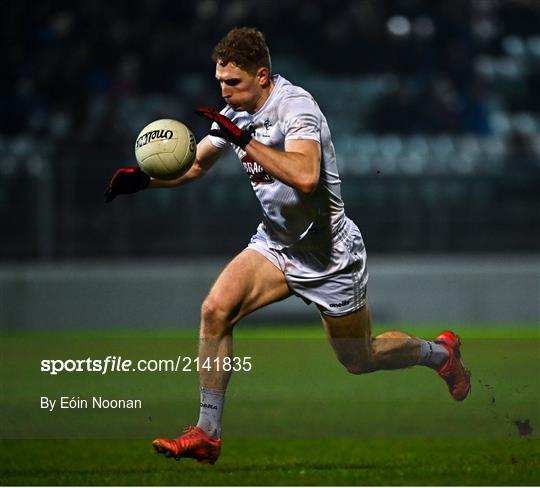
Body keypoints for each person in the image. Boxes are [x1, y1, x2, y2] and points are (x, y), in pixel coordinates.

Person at [104, 27, 471, 465]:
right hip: (277, 246)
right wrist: (144, 180)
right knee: (215, 309)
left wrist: (244, 141)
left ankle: (440, 353)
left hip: (331, 255)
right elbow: (196, 165)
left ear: (262, 75)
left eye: (233, 83)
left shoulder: (296, 107)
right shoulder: (236, 113)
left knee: (359, 358)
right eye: (220, 82)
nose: (225, 91)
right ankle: (207, 432)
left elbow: (305, 176)